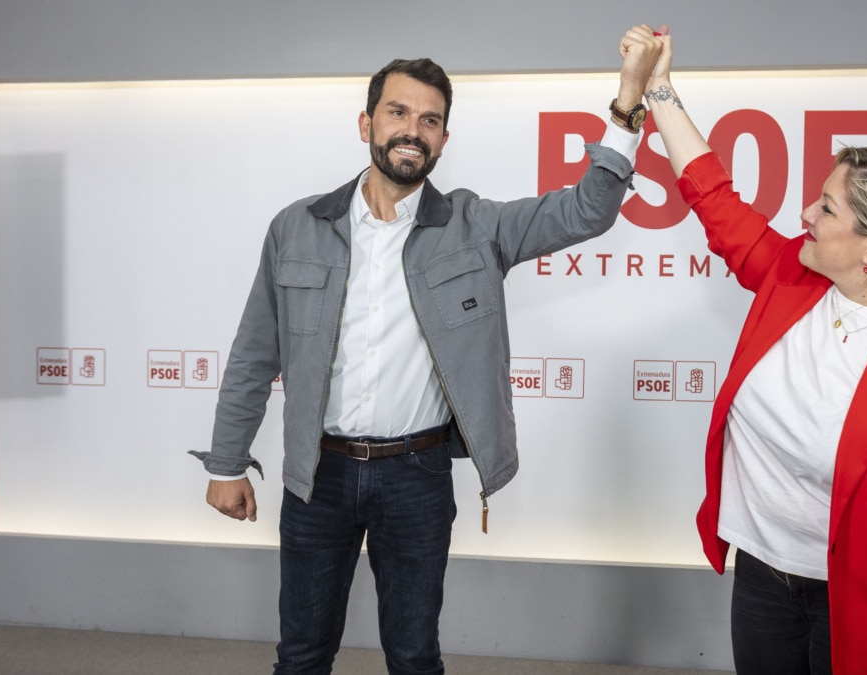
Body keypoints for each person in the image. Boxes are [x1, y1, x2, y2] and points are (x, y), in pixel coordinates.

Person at [189, 27, 664, 675]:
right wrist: (225, 462)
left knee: (414, 655)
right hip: (316, 474)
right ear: (366, 123)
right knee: (301, 655)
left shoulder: (478, 226)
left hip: (416, 475)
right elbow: (253, 352)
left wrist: (629, 97)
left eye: (431, 120)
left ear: (444, 139)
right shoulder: (298, 226)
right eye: (398, 112)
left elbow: (587, 210)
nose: (413, 129)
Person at [641, 28, 867, 675]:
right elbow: (712, 194)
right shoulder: (791, 276)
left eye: (827, 207)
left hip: (863, 602)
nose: (805, 211)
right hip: (760, 576)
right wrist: (657, 86)